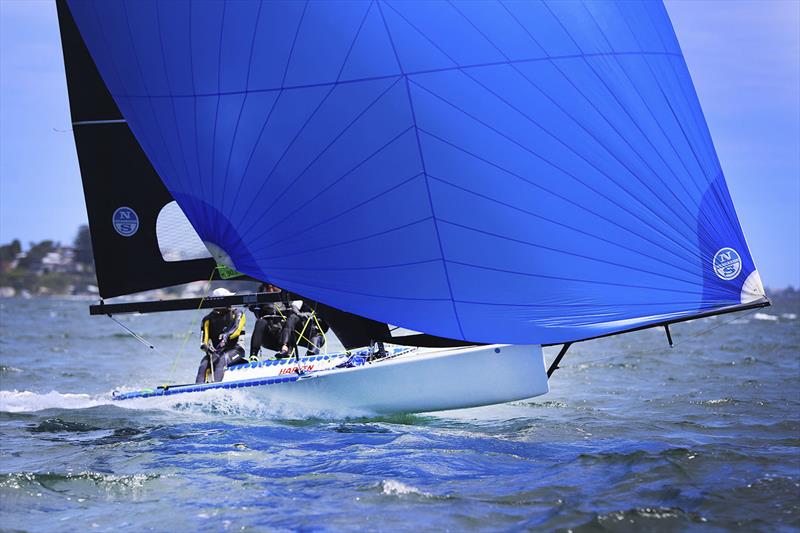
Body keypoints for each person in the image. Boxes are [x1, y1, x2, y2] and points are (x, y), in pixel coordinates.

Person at [249, 283, 327, 360]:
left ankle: (308, 354)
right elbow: (251, 306)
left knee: (294, 320)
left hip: (286, 336)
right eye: (269, 287)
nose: (272, 289)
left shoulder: (289, 297)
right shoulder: (261, 298)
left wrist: (303, 315)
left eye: (274, 286)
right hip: (269, 337)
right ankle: (253, 356)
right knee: (261, 322)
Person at [195, 288, 247, 384]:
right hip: (217, 352)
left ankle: (216, 389)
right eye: (228, 299)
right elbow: (203, 342)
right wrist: (208, 349)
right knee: (203, 364)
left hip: (236, 350)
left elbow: (236, 330)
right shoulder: (207, 320)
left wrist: (227, 336)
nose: (231, 302)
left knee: (222, 360)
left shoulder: (238, 313)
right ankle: (197, 392)